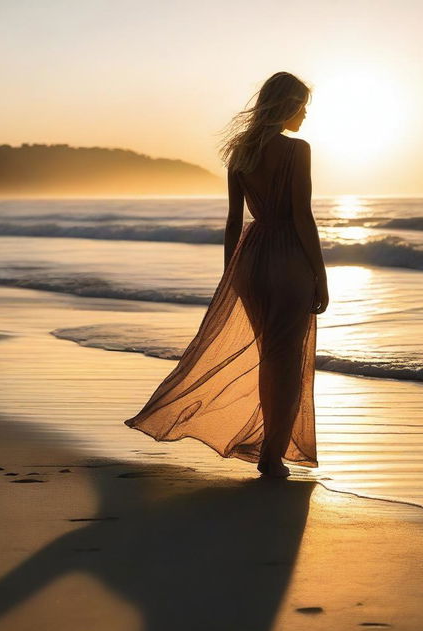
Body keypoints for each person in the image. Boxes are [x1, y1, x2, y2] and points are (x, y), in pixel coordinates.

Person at [125, 71, 329, 478]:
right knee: (284, 361)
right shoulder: (297, 150)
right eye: (302, 105)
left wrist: (229, 273)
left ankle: (270, 450)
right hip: (289, 259)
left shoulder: (241, 153)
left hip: (251, 260)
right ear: (286, 105)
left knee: (271, 356)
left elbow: (234, 221)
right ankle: (271, 456)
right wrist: (320, 275)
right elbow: (302, 216)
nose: (305, 114)